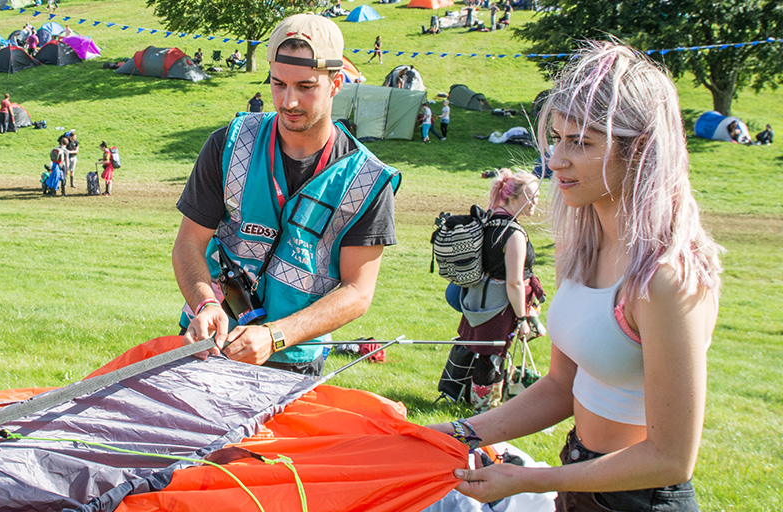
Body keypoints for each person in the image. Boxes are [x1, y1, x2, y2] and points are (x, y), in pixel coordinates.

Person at [431, 42, 722, 511]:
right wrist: (448, 434)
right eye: (557, 139)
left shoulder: (666, 277)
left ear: (640, 149)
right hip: (582, 481)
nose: (556, 160)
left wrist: (531, 480)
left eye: (580, 143)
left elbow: (671, 458)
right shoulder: (585, 247)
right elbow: (560, 387)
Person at [173, 14, 401, 376]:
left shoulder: (368, 179)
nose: (289, 101)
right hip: (206, 343)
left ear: (336, 83)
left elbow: (358, 291)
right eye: (278, 83)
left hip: (292, 361)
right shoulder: (228, 144)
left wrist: (275, 336)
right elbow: (188, 242)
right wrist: (204, 305)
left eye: (306, 87)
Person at [447, 170, 542, 412]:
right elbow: (515, 283)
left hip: (477, 298)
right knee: (492, 355)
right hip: (500, 305)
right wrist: (522, 317)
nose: (535, 203)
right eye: (530, 197)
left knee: (480, 350)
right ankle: (485, 409)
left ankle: (468, 399)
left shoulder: (487, 221)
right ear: (511, 197)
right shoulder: (513, 234)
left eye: (538, 197)